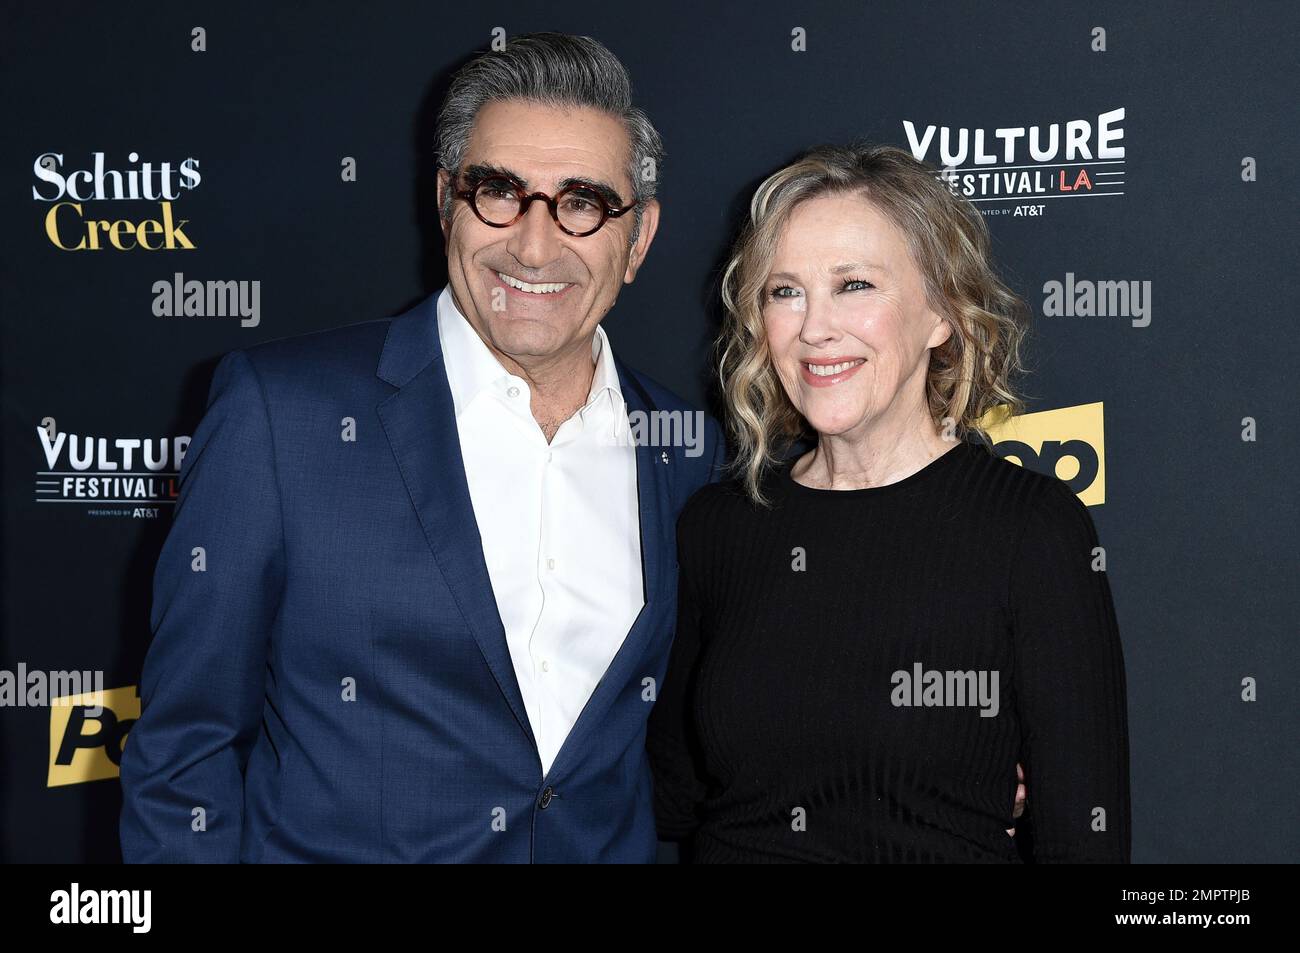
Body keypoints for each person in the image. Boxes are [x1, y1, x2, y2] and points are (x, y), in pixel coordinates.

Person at [119, 32, 724, 863]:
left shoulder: (689, 452)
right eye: (498, 192)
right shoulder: (282, 416)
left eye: (582, 201)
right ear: (446, 202)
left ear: (641, 235)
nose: (535, 245)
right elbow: (184, 746)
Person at [647, 144, 1130, 862]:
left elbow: (1085, 844)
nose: (814, 327)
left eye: (855, 285)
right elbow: (671, 794)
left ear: (941, 313)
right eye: (785, 291)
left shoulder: (1029, 529)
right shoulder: (720, 525)